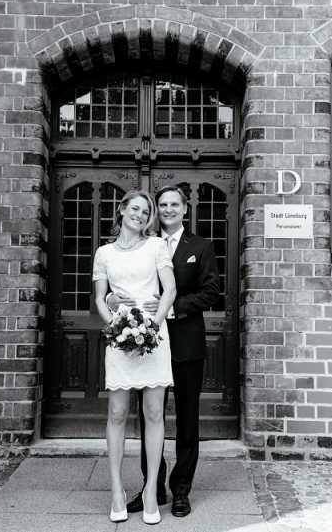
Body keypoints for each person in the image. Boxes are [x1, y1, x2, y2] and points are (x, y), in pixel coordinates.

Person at [107, 185, 221, 518]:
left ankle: (181, 489)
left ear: (185, 209)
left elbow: (212, 292)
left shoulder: (199, 247)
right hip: (144, 344)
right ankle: (151, 489)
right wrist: (114, 299)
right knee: (149, 417)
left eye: (174, 204)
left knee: (187, 419)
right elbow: (123, 282)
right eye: (163, 205)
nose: (168, 209)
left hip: (185, 342)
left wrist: (173, 309)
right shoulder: (144, 244)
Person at [93, 190, 177, 525]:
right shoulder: (103, 253)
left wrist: (152, 328)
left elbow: (169, 290)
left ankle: (151, 492)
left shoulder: (157, 246)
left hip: (154, 335)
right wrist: (114, 322)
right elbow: (100, 298)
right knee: (117, 412)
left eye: (147, 211)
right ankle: (116, 491)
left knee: (154, 412)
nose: (141, 215)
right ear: (122, 210)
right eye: (135, 209)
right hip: (120, 335)